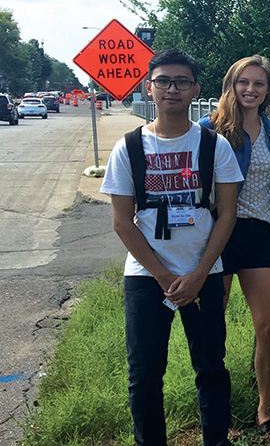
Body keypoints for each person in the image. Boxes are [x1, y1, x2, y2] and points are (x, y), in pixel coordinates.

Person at [101, 49, 244, 446]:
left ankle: (216, 440)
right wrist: (165, 277)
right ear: (149, 88)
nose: (172, 89)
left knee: (211, 366)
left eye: (182, 82)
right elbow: (121, 222)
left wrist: (198, 276)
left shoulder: (214, 146)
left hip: (205, 274)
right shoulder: (128, 148)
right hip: (147, 278)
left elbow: (228, 215)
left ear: (195, 89)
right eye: (163, 81)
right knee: (144, 372)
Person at [199, 55, 270, 439]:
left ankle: (264, 411)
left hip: (259, 236)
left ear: (269, 90)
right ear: (231, 85)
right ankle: (215, 413)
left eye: (259, 83)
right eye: (244, 82)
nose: (251, 89)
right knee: (211, 328)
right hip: (216, 235)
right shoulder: (208, 130)